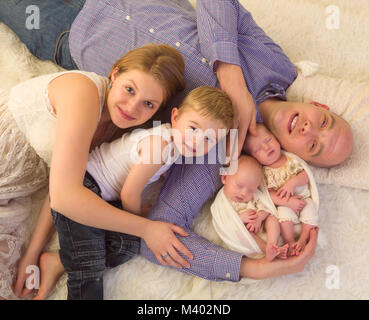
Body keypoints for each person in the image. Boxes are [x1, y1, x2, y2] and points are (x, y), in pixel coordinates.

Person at [1, 0, 352, 292]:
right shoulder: (276, 66)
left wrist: (257, 269)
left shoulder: (215, 156)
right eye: (324, 122)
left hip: (69, 32)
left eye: (314, 146)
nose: (309, 130)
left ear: (298, 157)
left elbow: (162, 235)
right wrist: (233, 79)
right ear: (318, 107)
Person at [0, 42, 190, 300]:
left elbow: (64, 183)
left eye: (148, 104)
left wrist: (33, 252)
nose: (133, 107)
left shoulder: (119, 128)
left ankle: (57, 262)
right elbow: (66, 196)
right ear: (115, 74)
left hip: (18, 190)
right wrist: (146, 228)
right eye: (129, 89)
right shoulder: (83, 93)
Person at [32, 86, 234, 299]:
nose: (196, 141)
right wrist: (140, 223)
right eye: (193, 129)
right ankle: (76, 268)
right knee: (88, 269)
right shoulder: (160, 146)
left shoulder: (173, 145)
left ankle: (58, 261)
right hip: (83, 187)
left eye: (209, 139)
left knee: (126, 246)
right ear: (175, 116)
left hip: (105, 197)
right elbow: (129, 193)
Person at [244, 124, 320, 256]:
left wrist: (293, 183)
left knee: (311, 208)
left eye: (268, 140)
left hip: (304, 198)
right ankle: (289, 241)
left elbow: (305, 175)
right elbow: (269, 195)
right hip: (285, 203)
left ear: (276, 138)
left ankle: (303, 239)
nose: (267, 148)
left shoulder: (291, 159)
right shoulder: (264, 173)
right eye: (258, 150)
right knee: (283, 214)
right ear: (254, 158)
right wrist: (288, 202)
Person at [211, 155, 289, 261]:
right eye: (239, 186)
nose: (244, 193)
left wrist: (259, 218)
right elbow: (222, 223)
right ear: (225, 178)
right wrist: (239, 219)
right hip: (245, 234)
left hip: (259, 225)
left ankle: (272, 245)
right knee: (243, 233)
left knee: (272, 219)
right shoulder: (222, 202)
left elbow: (266, 206)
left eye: (251, 190)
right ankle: (266, 249)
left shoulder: (254, 195)